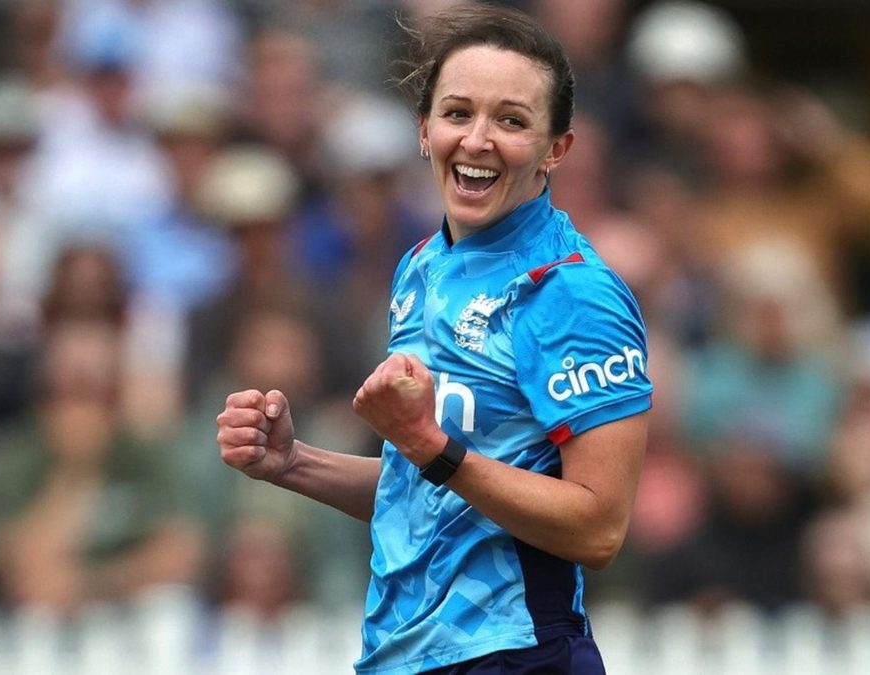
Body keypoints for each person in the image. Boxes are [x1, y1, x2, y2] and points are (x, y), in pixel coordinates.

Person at [215, 6, 653, 674]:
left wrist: (432, 446)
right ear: (423, 130)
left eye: (511, 120)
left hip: (515, 653)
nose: (477, 140)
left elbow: (598, 528)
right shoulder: (421, 267)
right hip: (400, 655)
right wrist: (294, 463)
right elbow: (423, 494)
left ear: (556, 147)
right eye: (457, 113)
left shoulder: (570, 293)